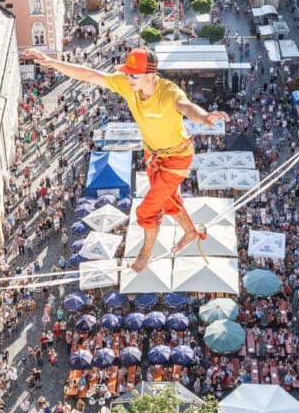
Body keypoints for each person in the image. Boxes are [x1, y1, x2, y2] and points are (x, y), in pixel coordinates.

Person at [28, 47, 229, 271]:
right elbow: (90, 75)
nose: (129, 78)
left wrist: (203, 117)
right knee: (169, 202)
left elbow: (186, 107)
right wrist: (53, 63)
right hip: (152, 154)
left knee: (145, 211)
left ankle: (146, 254)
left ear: (151, 75)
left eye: (134, 74)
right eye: (127, 72)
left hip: (176, 158)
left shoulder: (168, 92)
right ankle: (190, 232)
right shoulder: (128, 85)